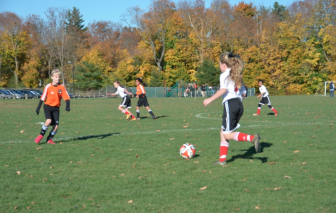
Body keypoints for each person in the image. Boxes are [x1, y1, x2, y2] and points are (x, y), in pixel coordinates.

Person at [203, 52, 260, 166]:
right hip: (239, 104)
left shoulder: (224, 75)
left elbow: (223, 90)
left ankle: (252, 138)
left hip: (230, 104)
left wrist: (210, 99)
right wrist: (237, 102)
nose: (219, 67)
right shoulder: (237, 75)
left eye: (219, 64)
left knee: (226, 134)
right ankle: (222, 160)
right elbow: (244, 93)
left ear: (224, 65)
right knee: (222, 131)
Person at [34, 69, 70, 144]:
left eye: (59, 77)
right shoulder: (48, 86)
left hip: (56, 108)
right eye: (56, 77)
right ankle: (41, 135)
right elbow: (43, 97)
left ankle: (49, 139)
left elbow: (66, 96)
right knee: (49, 120)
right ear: (52, 77)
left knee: (56, 126)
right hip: (48, 107)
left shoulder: (62, 86)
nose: (58, 78)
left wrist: (67, 105)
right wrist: (38, 108)